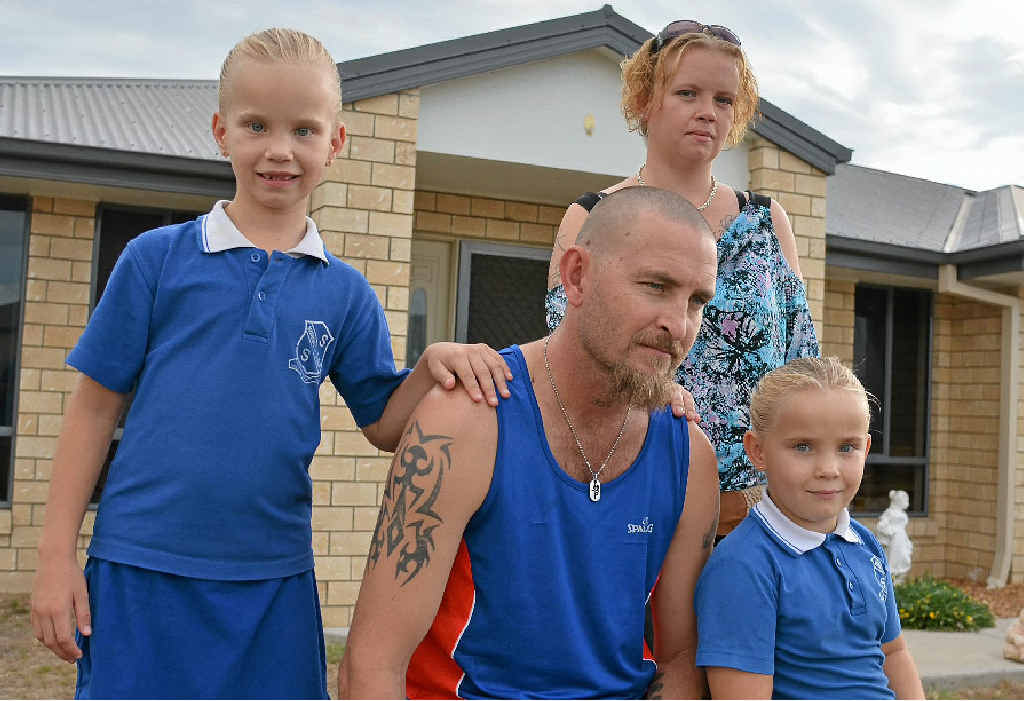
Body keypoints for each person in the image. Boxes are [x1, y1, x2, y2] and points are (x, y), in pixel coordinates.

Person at [29, 28, 512, 699]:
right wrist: (55, 557)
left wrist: (430, 366)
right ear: (221, 132)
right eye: (256, 125)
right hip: (141, 569)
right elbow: (92, 411)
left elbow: (384, 423)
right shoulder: (155, 260)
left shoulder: (346, 294)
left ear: (335, 143)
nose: (279, 150)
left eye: (303, 130)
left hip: (273, 582)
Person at [338, 187, 721, 699]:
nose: (679, 324)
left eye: (697, 301)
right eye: (655, 286)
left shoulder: (690, 455)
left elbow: (679, 660)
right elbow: (371, 665)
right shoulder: (465, 419)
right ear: (577, 276)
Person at [546, 20, 819, 539]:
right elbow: (565, 362)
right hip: (635, 503)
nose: (707, 111)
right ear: (645, 100)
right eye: (687, 93)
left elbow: (801, 365)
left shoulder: (767, 223)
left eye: (723, 99)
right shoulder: (592, 217)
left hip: (755, 517)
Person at [694, 357, 924, 699]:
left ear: (866, 450)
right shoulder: (743, 565)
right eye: (803, 447)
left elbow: (893, 653)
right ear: (758, 451)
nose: (828, 469)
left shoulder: (865, 544)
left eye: (847, 447)